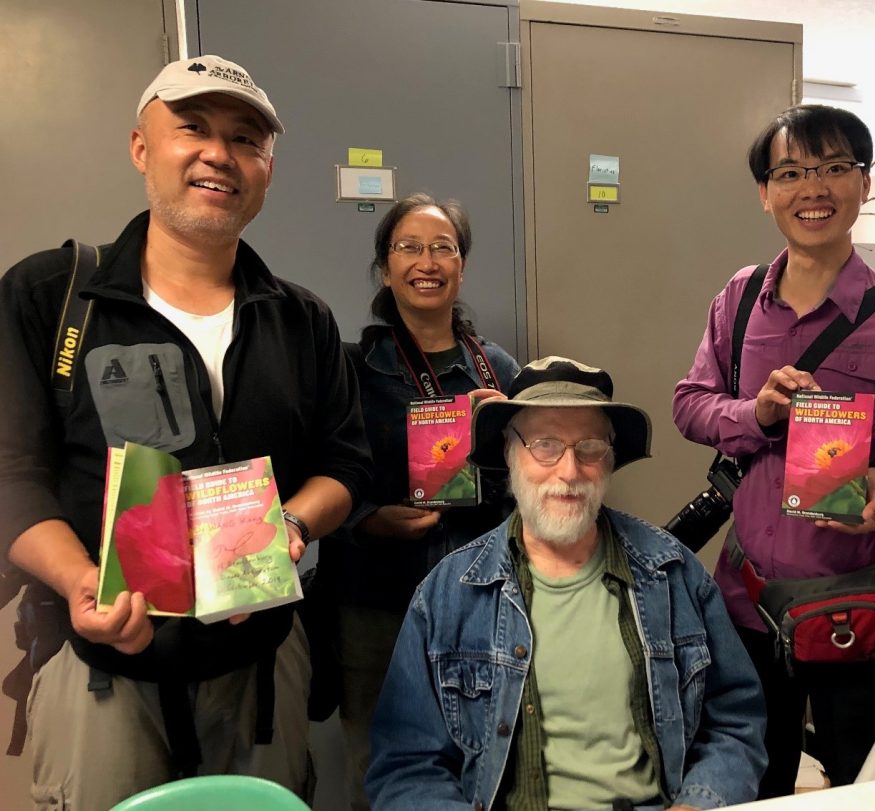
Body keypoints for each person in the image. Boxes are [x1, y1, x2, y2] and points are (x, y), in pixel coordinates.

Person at [0, 55, 372, 808]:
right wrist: (80, 584)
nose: (218, 154)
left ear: (266, 168)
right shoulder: (52, 295)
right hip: (100, 662)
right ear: (142, 146)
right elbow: (12, 474)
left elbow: (347, 464)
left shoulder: (301, 318)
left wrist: (292, 522)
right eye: (192, 128)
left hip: (261, 664)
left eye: (244, 139)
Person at [672, 104, 875, 795]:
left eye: (835, 168)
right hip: (749, 606)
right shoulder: (739, 300)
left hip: (863, 607)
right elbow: (689, 403)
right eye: (791, 172)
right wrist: (756, 412)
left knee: (871, 787)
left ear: (863, 184)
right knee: (750, 779)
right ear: (766, 192)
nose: (813, 188)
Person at [367, 356, 767, 811]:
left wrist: (699, 802)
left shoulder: (674, 574)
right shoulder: (448, 594)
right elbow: (406, 767)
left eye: (590, 447)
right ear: (507, 452)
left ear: (611, 458)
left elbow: (736, 720)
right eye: (545, 444)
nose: (569, 471)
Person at [326, 192, 519, 811]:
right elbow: (327, 472)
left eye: (443, 247)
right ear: (386, 268)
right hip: (376, 599)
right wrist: (366, 521)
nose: (427, 260)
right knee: (381, 763)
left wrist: (510, 433)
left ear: (461, 266)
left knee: (485, 755)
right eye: (409, 247)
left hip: (478, 598)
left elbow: (531, 486)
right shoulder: (352, 369)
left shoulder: (498, 371)